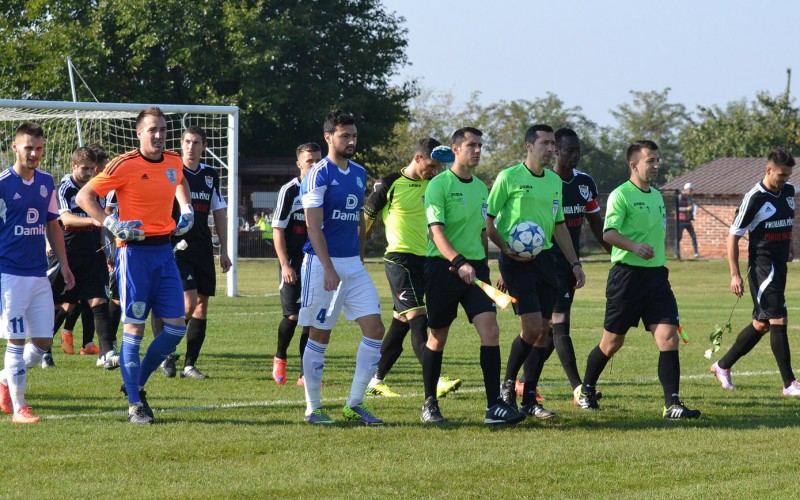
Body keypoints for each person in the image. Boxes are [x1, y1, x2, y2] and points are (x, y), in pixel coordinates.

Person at [76, 106, 195, 425]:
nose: (158, 136)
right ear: (138, 133)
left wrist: (186, 208)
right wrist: (111, 223)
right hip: (135, 256)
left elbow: (179, 180)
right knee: (135, 330)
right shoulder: (124, 164)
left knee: (175, 329)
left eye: (162, 130)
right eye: (151, 130)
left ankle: (135, 383)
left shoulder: (172, 160)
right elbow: (84, 197)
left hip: (165, 253)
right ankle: (134, 404)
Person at [576, 140, 701, 419]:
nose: (656, 165)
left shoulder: (657, 196)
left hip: (657, 278)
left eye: (658, 160)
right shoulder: (621, 195)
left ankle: (673, 404)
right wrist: (634, 246)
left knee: (669, 338)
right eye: (650, 161)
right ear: (634, 165)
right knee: (611, 343)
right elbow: (608, 233)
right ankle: (586, 389)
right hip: (627, 278)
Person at [421, 127, 524, 425]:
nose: (477, 150)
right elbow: (435, 231)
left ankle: (494, 407)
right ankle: (430, 403)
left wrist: (485, 268)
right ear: (455, 149)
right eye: (471, 145)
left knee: (490, 331)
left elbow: (482, 232)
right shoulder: (438, 186)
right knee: (438, 336)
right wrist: (458, 261)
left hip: (475, 271)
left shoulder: (481, 188)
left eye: (480, 145)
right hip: (443, 268)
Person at [486, 125, 586, 420]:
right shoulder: (509, 177)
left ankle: (529, 397)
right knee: (531, 328)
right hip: (514, 262)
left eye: (553, 143)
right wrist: (505, 250)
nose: (551, 148)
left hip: (545, 260)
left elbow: (559, 226)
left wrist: (575, 263)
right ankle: (508, 388)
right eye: (545, 143)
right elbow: (488, 222)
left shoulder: (555, 181)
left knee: (544, 332)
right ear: (529, 146)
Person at [298, 109, 385, 425]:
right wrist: (329, 268)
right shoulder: (317, 174)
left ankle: (355, 403)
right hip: (324, 266)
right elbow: (313, 227)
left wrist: (359, 259)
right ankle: (313, 407)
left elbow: (359, 222)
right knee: (320, 335)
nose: (351, 141)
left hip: (353, 265)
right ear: (328, 137)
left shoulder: (360, 173)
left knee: (375, 330)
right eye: (344, 135)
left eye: (354, 135)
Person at [363, 139, 461, 398]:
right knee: (419, 319)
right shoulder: (390, 184)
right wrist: (355, 256)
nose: (434, 171)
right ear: (418, 158)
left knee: (400, 324)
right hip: (399, 260)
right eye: (431, 165)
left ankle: (376, 379)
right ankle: (436, 379)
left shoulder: (435, 185)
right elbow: (366, 220)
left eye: (438, 167)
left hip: (426, 261)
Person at [0, 122, 75, 423]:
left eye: (39, 148)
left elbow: (53, 224)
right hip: (9, 275)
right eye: (28, 147)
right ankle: (20, 408)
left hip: (38, 275)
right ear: (15, 147)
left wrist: (65, 265)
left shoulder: (47, 181)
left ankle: (4, 378)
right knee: (15, 341)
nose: (34, 153)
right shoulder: (3, 183)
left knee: (43, 343)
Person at [710, 148, 800, 395]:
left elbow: (787, 221)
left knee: (761, 324)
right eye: (781, 175)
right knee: (778, 318)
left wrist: (790, 246)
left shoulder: (789, 191)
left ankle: (722, 365)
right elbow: (733, 236)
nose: (784, 180)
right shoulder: (755, 197)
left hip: (779, 265)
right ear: (768, 170)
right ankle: (789, 384)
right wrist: (734, 274)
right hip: (762, 267)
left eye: (788, 175)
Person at [159, 126, 232, 379]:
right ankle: (167, 352)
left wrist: (223, 249)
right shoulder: (171, 172)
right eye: (187, 142)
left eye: (196, 142)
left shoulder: (210, 174)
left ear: (204, 146)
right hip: (178, 247)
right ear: (181, 144)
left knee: (202, 306)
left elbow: (219, 212)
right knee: (188, 304)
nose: (191, 146)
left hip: (203, 248)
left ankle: (189, 365)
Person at [547, 128, 611, 403]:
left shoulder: (585, 183)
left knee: (546, 332)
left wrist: (615, 253)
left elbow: (596, 222)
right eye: (569, 150)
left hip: (571, 265)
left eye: (578, 150)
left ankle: (521, 383)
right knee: (558, 325)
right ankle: (578, 389)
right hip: (544, 263)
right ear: (556, 151)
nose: (576, 155)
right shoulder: (546, 181)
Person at [49, 146, 119, 369]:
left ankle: (107, 353)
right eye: (85, 169)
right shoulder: (65, 188)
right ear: (73, 166)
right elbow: (66, 219)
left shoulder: (97, 188)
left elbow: (104, 221)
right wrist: (93, 221)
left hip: (92, 253)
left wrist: (108, 248)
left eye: (92, 169)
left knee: (99, 300)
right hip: (67, 252)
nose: (89, 173)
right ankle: (43, 349)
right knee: (56, 304)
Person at [271, 142, 321, 386]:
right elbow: (277, 229)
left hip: (315, 261)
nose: (314, 165)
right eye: (309, 161)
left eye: (317, 160)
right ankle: (280, 357)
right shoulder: (290, 191)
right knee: (292, 316)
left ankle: (305, 374)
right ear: (299, 163)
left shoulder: (324, 190)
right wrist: (285, 264)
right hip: (292, 261)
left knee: (311, 318)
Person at [675, 182, 699, 259]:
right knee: (678, 237)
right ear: (686, 190)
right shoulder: (680, 197)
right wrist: (686, 209)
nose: (691, 191)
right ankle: (676, 253)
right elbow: (676, 208)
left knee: (693, 236)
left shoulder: (690, 198)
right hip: (680, 220)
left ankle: (696, 253)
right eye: (690, 190)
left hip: (688, 220)